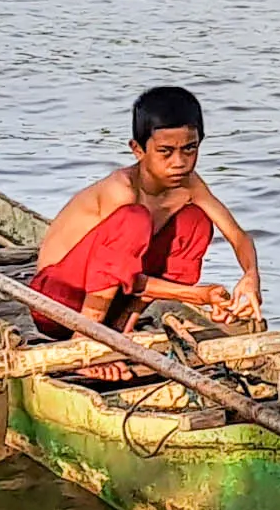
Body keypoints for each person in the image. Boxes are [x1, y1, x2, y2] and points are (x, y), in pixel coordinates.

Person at [29, 85, 263, 340]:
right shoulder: (121, 190)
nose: (179, 162)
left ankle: (120, 328)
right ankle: (85, 340)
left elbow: (238, 236)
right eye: (165, 152)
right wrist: (199, 295)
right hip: (55, 301)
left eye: (189, 149)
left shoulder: (189, 184)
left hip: (114, 299)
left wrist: (250, 276)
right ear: (138, 150)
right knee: (134, 220)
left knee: (196, 221)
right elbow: (119, 273)